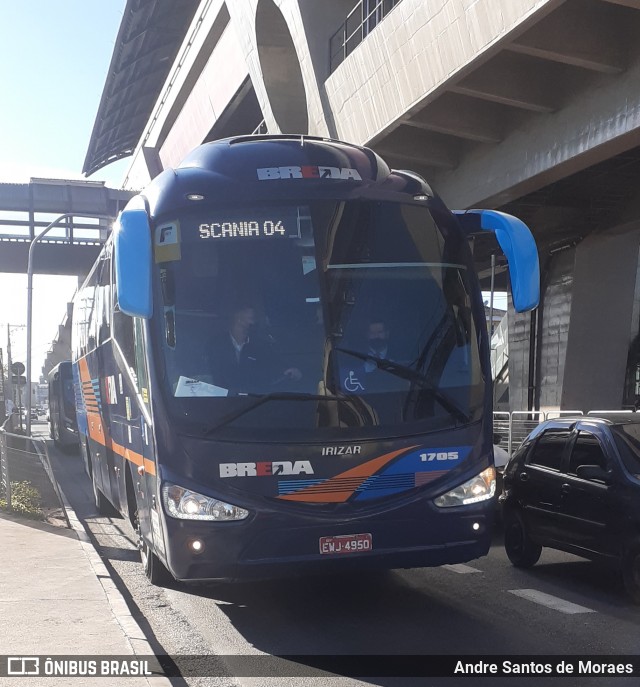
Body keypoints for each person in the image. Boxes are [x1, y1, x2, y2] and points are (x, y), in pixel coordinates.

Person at [208, 305, 301, 392]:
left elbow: (276, 366)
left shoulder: (261, 346)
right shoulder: (216, 344)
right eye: (251, 319)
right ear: (238, 319)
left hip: (257, 401)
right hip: (222, 402)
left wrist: (291, 371)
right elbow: (208, 375)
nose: (254, 323)